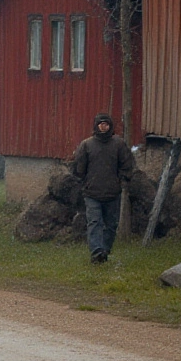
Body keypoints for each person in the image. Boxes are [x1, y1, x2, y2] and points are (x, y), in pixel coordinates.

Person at [70, 112, 137, 264]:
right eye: (101, 124)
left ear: (110, 126)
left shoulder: (118, 144)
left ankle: (104, 251)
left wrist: (123, 181)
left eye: (106, 124)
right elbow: (79, 168)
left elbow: (126, 164)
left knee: (111, 225)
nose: (103, 126)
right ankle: (96, 252)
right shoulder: (86, 145)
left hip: (113, 193)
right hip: (92, 193)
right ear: (96, 126)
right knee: (94, 223)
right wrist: (81, 182)